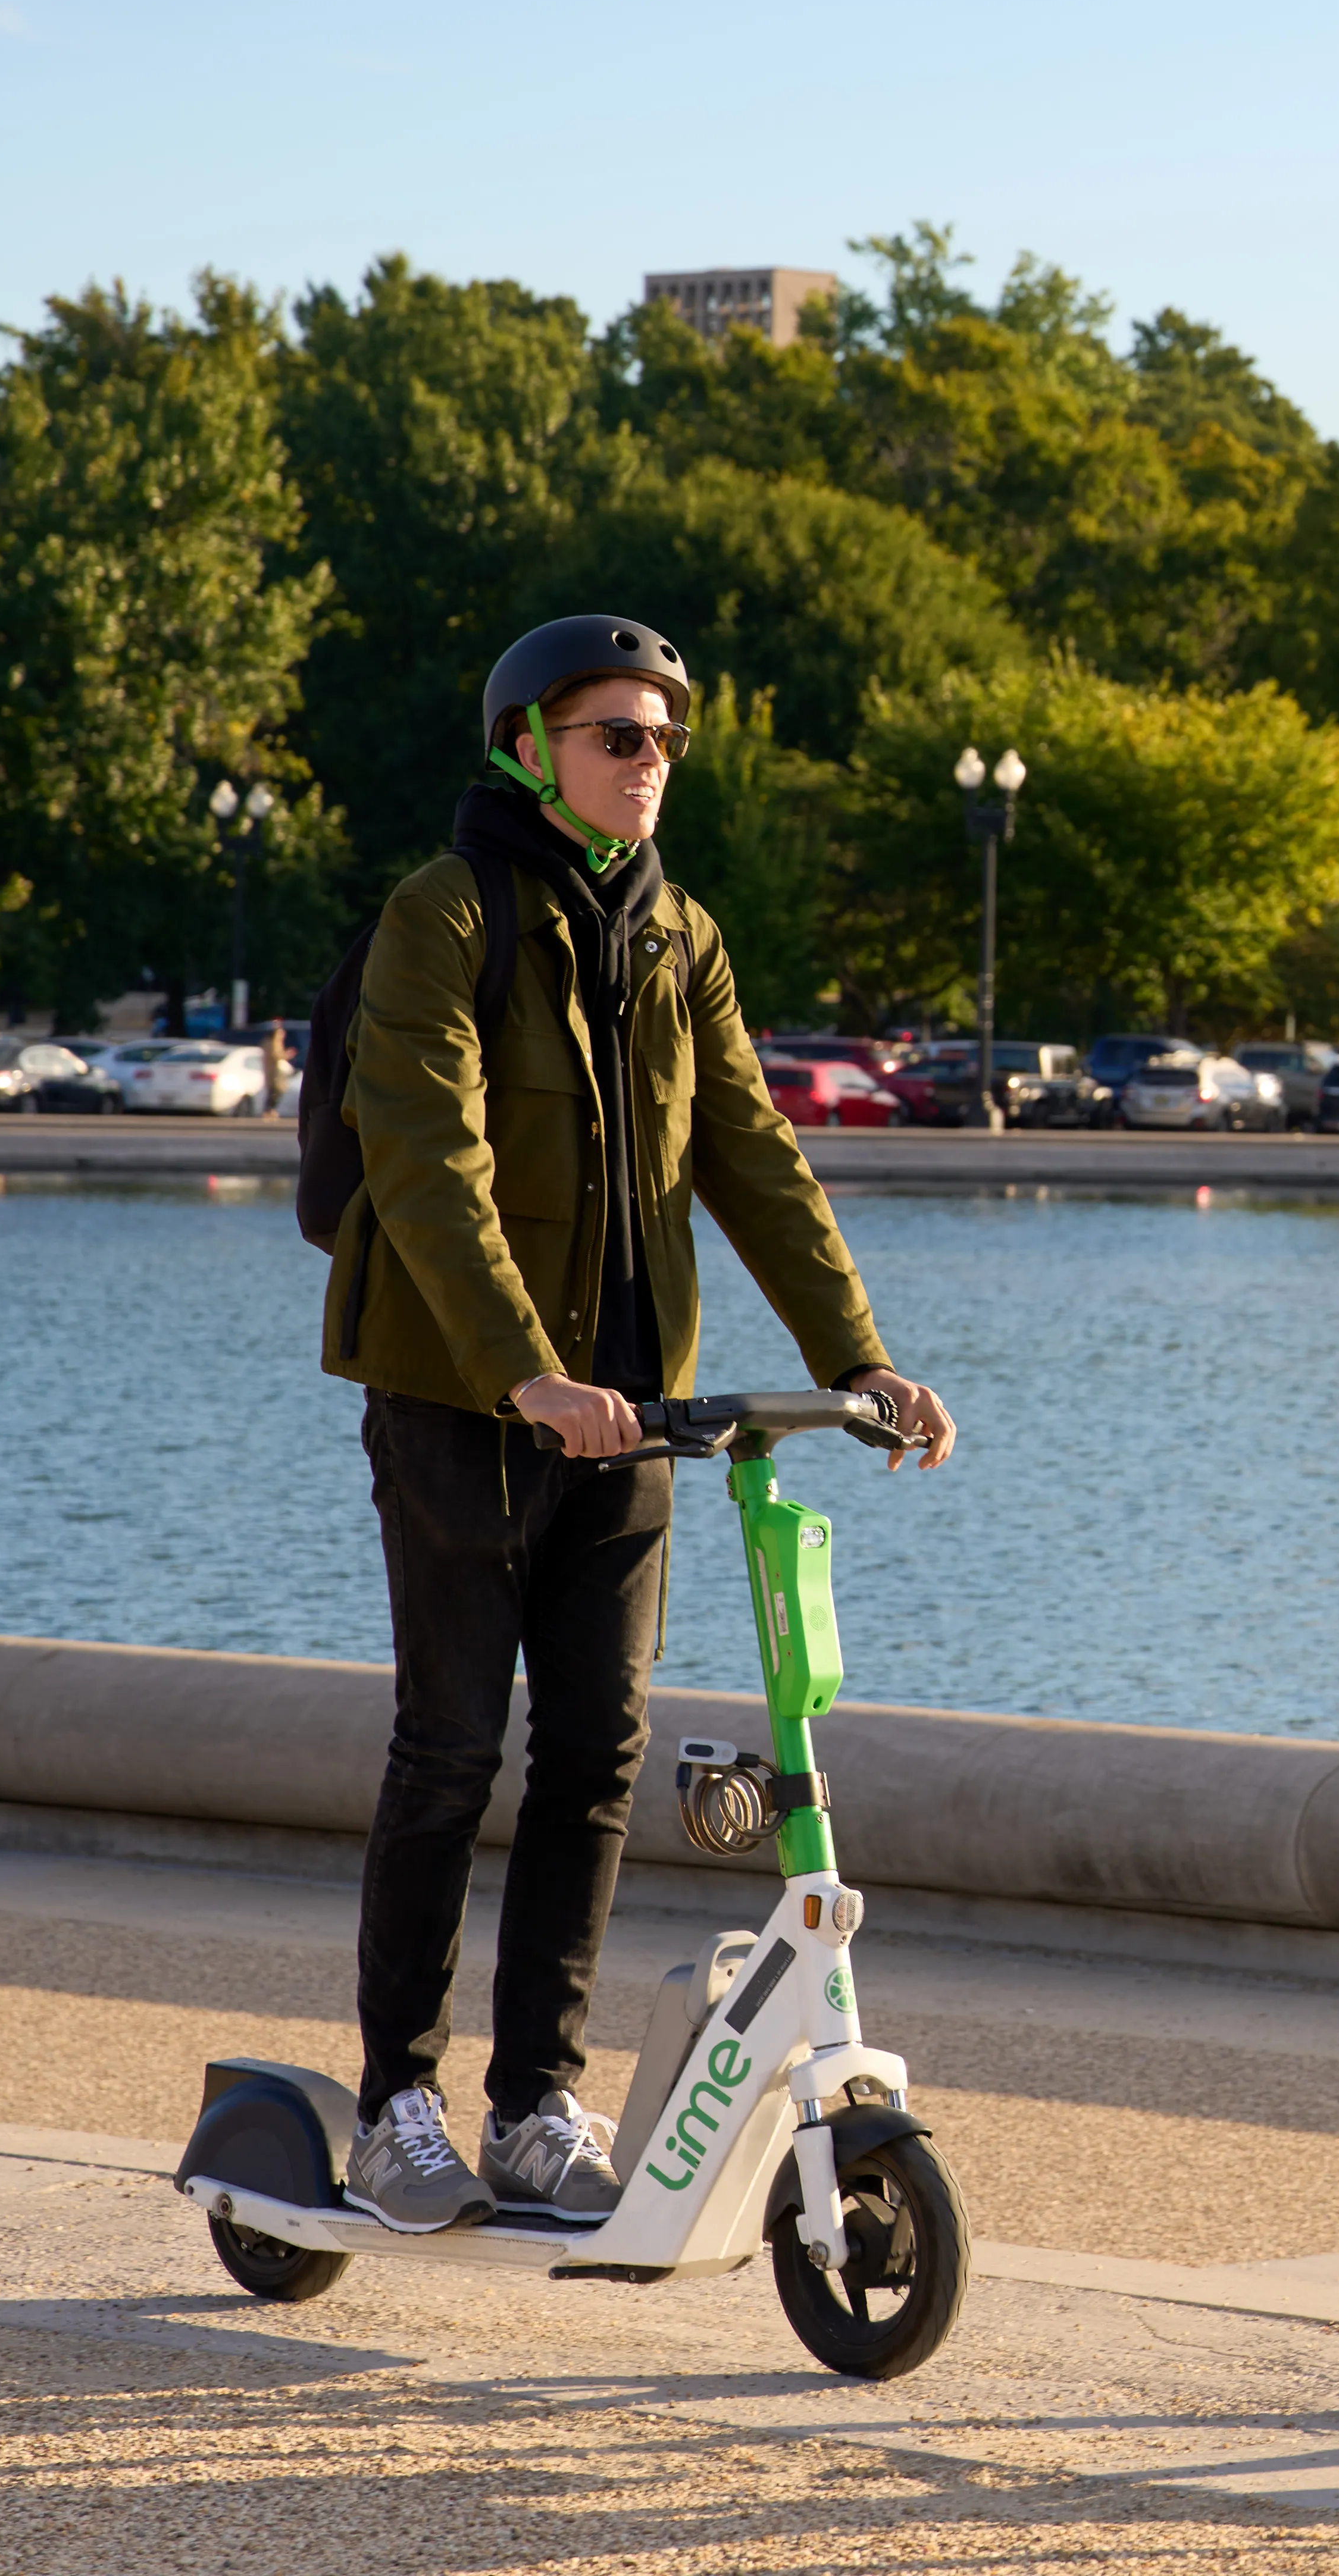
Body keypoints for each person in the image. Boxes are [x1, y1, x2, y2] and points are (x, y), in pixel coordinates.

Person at [315, 613, 961, 2236]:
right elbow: (428, 1162)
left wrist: (860, 1358)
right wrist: (524, 1371)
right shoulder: (444, 914)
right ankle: (397, 2103)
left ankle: (536, 2102)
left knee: (599, 1753)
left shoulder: (681, 933)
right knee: (451, 1749)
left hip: (635, 1417)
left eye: (667, 736)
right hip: (464, 1403)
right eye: (617, 734)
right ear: (530, 748)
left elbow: (751, 1152)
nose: (649, 760)